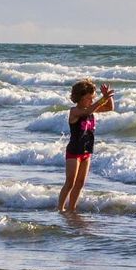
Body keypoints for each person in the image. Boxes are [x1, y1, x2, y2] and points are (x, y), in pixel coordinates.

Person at [57, 79, 114, 213]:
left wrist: (108, 97)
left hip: (86, 151)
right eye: (89, 98)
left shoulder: (91, 109)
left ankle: (72, 208)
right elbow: (87, 112)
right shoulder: (74, 112)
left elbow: (110, 108)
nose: (91, 100)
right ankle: (60, 208)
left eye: (92, 98)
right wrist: (102, 99)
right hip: (74, 152)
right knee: (70, 183)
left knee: (80, 183)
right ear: (80, 97)